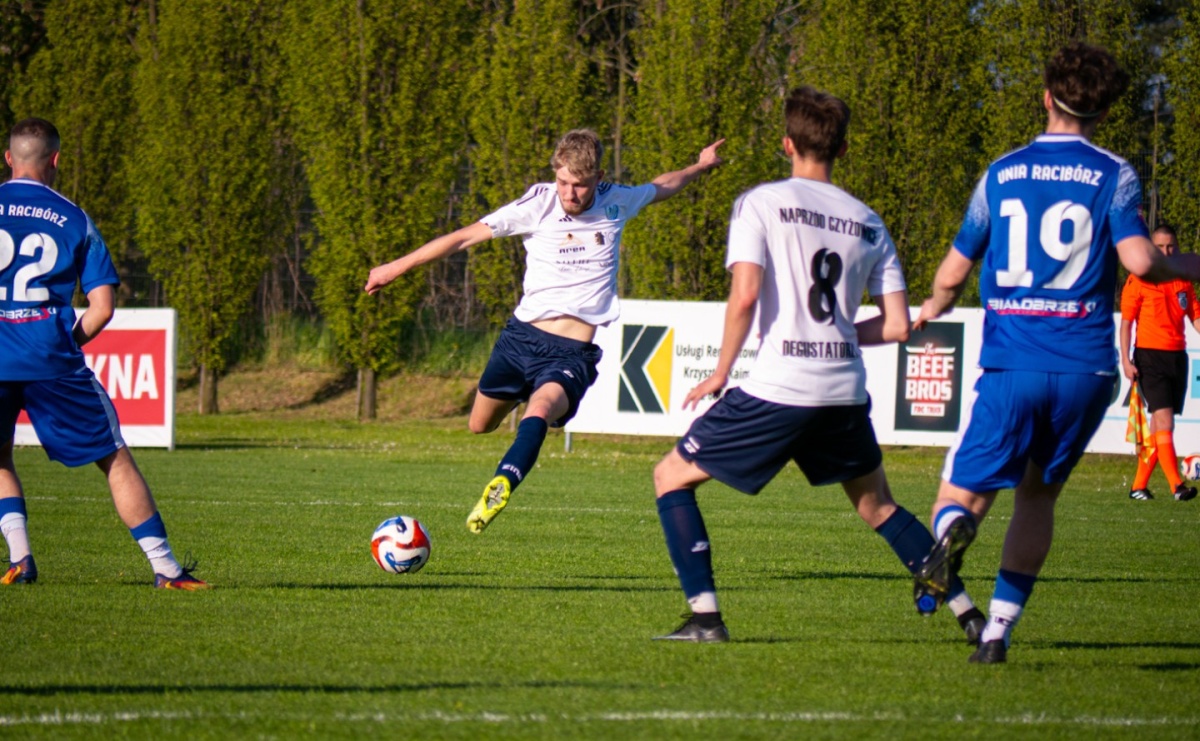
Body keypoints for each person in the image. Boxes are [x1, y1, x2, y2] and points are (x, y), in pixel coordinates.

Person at [650, 86, 983, 644]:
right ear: (843, 149)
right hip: (843, 390)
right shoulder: (869, 221)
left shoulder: (760, 202)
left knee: (670, 477)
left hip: (780, 386)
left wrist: (721, 370)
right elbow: (898, 326)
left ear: (787, 144)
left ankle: (706, 619)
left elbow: (746, 296)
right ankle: (972, 618)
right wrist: (834, 334)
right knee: (878, 506)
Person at [911, 42, 1200, 663]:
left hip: (1013, 362)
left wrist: (933, 304)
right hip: (1085, 368)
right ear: (1102, 111)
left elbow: (955, 269)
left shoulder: (1003, 172)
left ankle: (951, 532)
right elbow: (1141, 262)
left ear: (1046, 97)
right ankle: (996, 635)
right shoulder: (1114, 174)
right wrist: (1188, 264)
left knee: (957, 496)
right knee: (1037, 497)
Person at [365, 129, 724, 534]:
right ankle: (521, 412)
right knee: (479, 425)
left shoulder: (617, 201)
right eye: (564, 182)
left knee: (539, 410)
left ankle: (502, 483)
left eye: (580, 185)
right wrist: (395, 267)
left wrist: (700, 166)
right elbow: (464, 237)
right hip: (520, 340)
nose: (570, 193)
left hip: (571, 352)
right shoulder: (537, 204)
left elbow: (661, 186)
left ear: (599, 177)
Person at [0, 117, 209, 589]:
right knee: (114, 458)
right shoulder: (74, 218)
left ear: (9, 158)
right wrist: (62, 342)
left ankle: (20, 560)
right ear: (55, 160)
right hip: (50, 356)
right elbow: (102, 308)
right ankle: (167, 569)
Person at [1119, 223, 1199, 502]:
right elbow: (1126, 324)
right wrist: (1125, 360)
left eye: (1171, 246)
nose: (1166, 251)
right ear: (1152, 248)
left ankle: (1138, 486)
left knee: (1160, 426)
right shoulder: (1139, 278)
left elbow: (1196, 318)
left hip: (1178, 357)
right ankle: (1177, 486)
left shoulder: (1183, 279)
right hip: (1149, 357)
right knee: (1163, 421)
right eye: (1160, 246)